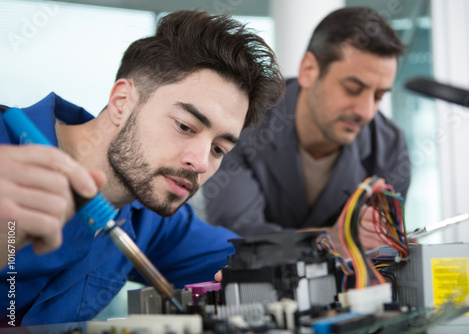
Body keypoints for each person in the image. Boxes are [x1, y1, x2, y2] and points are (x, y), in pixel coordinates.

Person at [0, 10, 284, 327]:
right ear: (122, 102)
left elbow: (258, 261)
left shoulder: (151, 219)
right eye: (185, 127)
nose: (201, 163)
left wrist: (342, 245)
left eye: (219, 149)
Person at [204, 6, 411, 252]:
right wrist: (333, 240)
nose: (366, 112)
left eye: (378, 96)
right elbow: (237, 238)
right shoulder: (242, 122)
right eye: (352, 89)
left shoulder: (390, 146)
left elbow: (379, 248)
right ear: (309, 71)